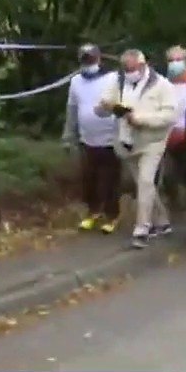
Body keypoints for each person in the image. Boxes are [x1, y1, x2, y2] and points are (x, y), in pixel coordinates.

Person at [95, 49, 178, 249]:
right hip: (126, 141)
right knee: (144, 185)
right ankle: (163, 221)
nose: (128, 72)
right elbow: (102, 107)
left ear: (142, 66)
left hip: (152, 141)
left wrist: (141, 120)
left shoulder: (162, 85)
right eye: (125, 68)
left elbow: (169, 117)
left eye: (132, 68)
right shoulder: (118, 81)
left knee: (145, 181)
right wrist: (106, 107)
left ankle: (142, 229)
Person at [62, 44, 121, 234]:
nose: (88, 63)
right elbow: (71, 110)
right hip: (87, 139)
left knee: (110, 180)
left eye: (91, 59)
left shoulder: (112, 79)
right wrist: (68, 136)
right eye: (85, 60)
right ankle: (93, 212)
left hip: (111, 139)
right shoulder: (76, 81)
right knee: (89, 179)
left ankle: (112, 216)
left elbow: (122, 105)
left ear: (99, 59)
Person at [162, 45, 186, 217]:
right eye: (171, 60)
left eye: (178, 60)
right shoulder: (164, 85)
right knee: (169, 175)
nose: (174, 64)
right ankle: (174, 207)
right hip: (167, 137)